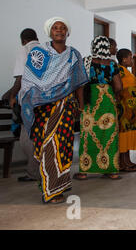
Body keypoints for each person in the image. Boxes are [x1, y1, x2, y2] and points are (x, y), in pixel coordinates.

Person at [18, 17, 88, 203]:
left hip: (65, 106)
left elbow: (79, 82)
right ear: (50, 32)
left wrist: (80, 106)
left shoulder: (74, 55)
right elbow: (30, 79)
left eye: (62, 28)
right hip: (42, 107)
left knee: (63, 146)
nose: (59, 30)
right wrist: (35, 97)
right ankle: (48, 188)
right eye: (55, 28)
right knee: (46, 146)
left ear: (67, 32)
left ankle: (58, 185)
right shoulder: (38, 52)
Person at [75, 36, 123, 180]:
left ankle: (84, 171)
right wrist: (114, 97)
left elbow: (80, 86)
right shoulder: (112, 64)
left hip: (90, 101)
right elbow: (119, 86)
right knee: (109, 135)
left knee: (88, 135)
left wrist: (81, 105)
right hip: (107, 101)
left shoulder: (86, 61)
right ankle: (112, 170)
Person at [2, 28, 40, 182]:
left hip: (29, 99)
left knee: (26, 137)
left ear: (23, 40)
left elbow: (20, 78)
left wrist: (11, 96)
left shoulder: (24, 49)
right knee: (40, 135)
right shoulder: (44, 49)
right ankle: (43, 170)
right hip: (45, 99)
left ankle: (33, 172)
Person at [116, 48, 136, 172]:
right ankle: (122, 163)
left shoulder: (127, 71)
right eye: (130, 57)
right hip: (124, 108)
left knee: (128, 134)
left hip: (131, 109)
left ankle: (128, 161)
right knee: (123, 135)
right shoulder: (119, 70)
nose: (132, 60)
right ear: (124, 59)